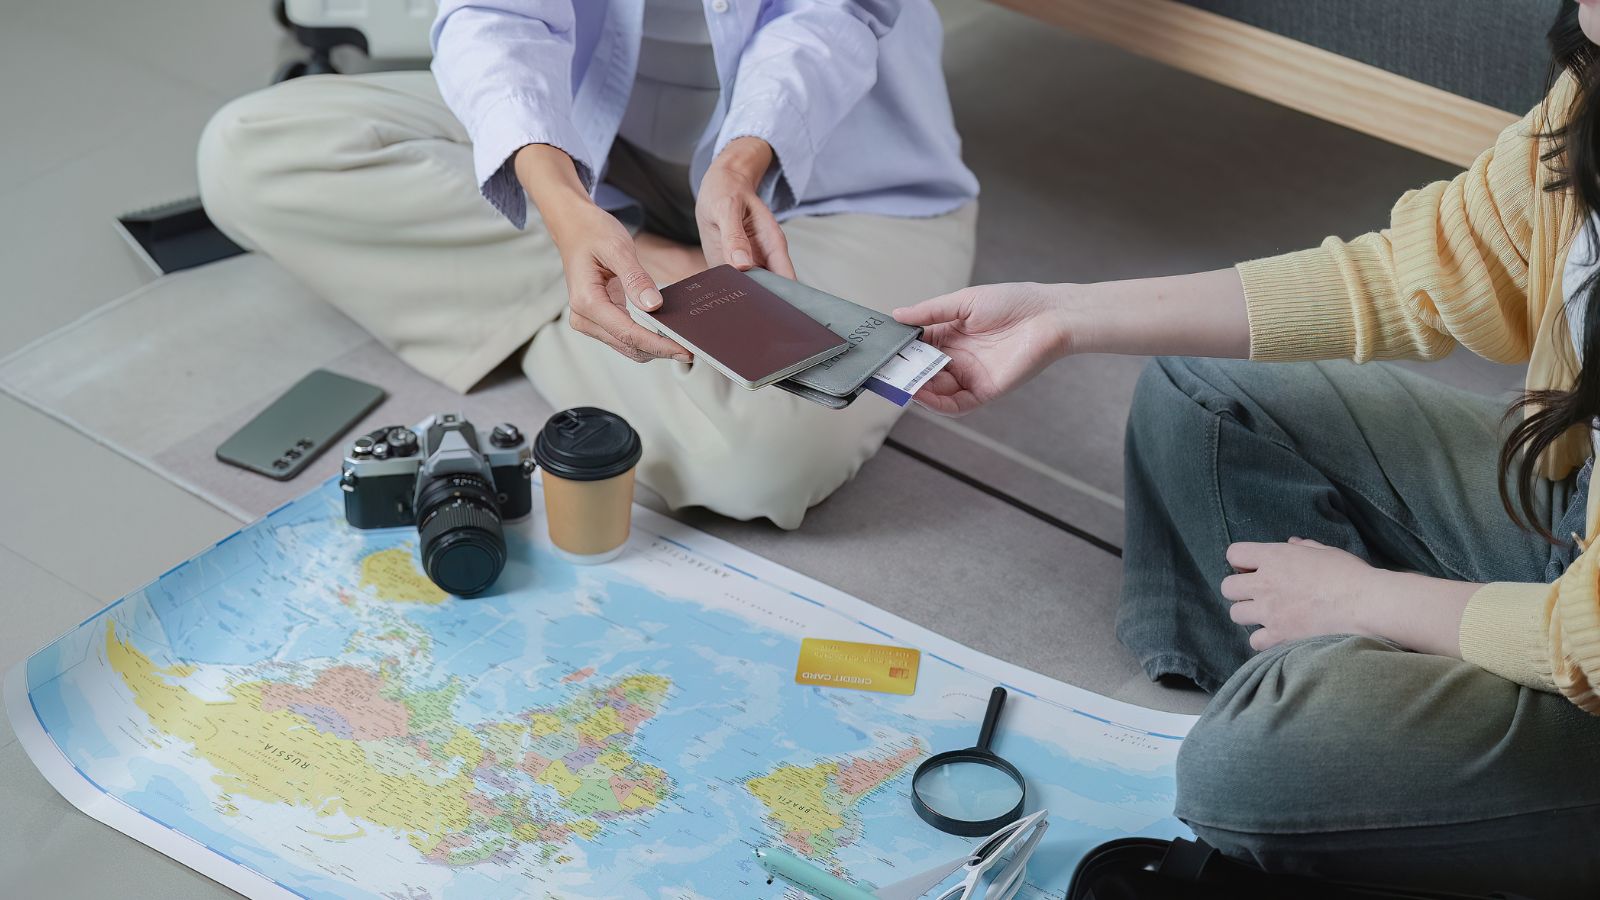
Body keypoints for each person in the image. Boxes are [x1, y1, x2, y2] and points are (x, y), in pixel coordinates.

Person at [893, 5, 1600, 897]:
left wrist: (1371, 598)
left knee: (1249, 771)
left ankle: (1362, 733)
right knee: (1202, 390)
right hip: (1577, 525)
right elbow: (1410, 273)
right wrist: (1062, 316)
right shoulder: (1593, 83)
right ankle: (1382, 722)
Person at [197, 1, 978, 528]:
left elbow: (834, 12)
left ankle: (566, 299)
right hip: (590, 145)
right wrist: (561, 202)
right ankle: (628, 275)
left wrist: (744, 159)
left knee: (766, 464)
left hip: (826, 177)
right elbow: (494, 14)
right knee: (249, 151)